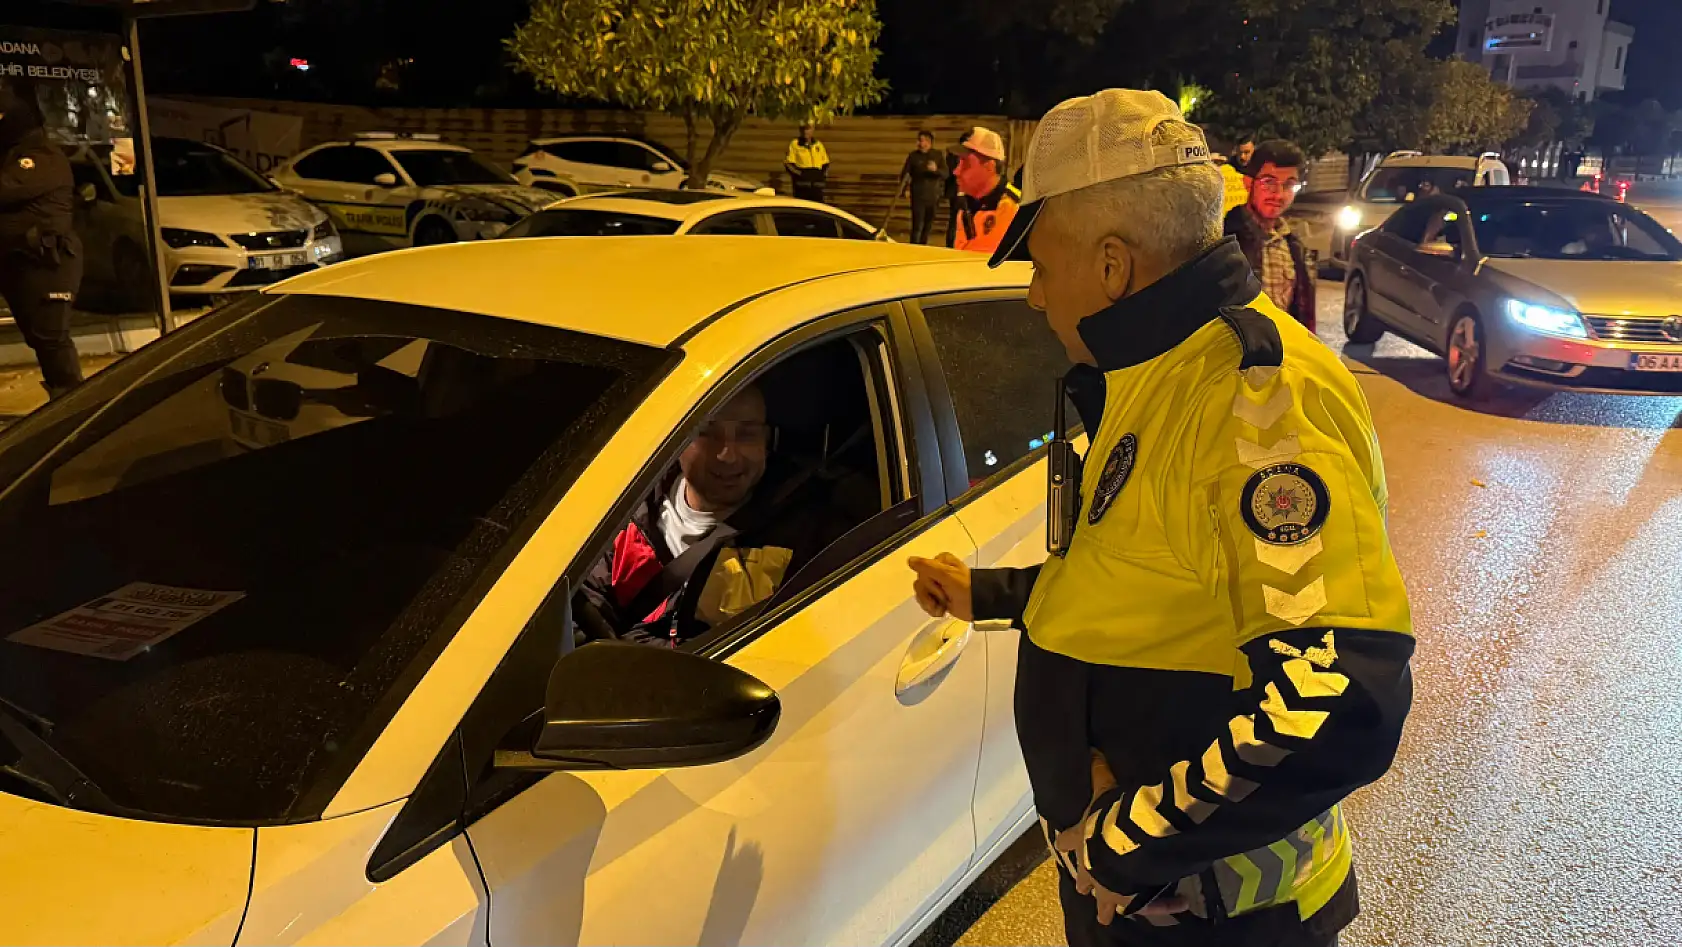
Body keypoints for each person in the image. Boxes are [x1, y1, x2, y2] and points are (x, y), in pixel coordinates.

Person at [907, 89, 1413, 947]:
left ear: (1113, 266)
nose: (1034, 296)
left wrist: (1121, 842)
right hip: (1145, 902)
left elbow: (1337, 694)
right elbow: (1142, 580)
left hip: (1221, 918)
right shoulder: (1155, 371)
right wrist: (987, 593)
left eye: (1042, 265)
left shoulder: (1253, 401)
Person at [578, 383, 863, 646]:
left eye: (747, 434)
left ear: (766, 441)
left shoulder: (809, 533)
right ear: (674, 439)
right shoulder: (624, 510)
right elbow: (583, 613)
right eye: (706, 432)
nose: (727, 454)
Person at [0, 79, 83, 398]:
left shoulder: (40, 156)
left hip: (46, 260)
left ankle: (72, 405)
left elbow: (5, 189)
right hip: (18, 260)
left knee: (50, 337)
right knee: (38, 337)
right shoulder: (12, 153)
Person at [1226, 139, 1316, 332]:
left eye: (1289, 185)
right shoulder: (1226, 240)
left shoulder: (1294, 245)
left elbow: (1304, 317)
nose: (1279, 195)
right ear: (1248, 183)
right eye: (1269, 183)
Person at [952, 126, 1019, 255]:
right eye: (958, 163)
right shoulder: (967, 205)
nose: (956, 171)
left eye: (966, 164)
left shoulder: (1014, 208)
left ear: (989, 166)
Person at [901, 130, 946, 245]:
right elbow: (905, 174)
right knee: (917, 225)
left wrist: (936, 170)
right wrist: (906, 188)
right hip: (918, 195)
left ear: (929, 142)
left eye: (922, 141)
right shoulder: (913, 156)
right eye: (919, 140)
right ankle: (913, 247)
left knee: (928, 225)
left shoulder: (937, 155)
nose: (920, 143)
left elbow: (946, 173)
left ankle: (923, 247)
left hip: (933, 195)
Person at [785, 122, 830, 204]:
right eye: (803, 129)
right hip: (802, 187)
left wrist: (821, 177)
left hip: (817, 187)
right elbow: (788, 164)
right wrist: (802, 175)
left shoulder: (818, 145)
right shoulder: (795, 144)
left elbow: (826, 163)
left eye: (808, 129)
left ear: (813, 129)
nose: (805, 131)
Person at [945, 129, 972, 248]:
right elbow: (953, 171)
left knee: (964, 218)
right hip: (957, 191)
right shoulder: (955, 154)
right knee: (956, 219)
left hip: (966, 191)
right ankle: (951, 244)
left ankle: (965, 243)